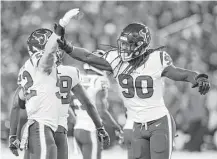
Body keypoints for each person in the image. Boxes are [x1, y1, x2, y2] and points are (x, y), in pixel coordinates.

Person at [57, 22, 210, 159]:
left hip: (159, 122)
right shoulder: (116, 60)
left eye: (130, 45)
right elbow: (88, 57)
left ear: (142, 45)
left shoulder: (157, 59)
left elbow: (180, 74)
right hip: (137, 124)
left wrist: (198, 78)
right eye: (123, 44)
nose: (125, 48)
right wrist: (67, 46)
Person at [9, 8, 110, 159]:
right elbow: (88, 103)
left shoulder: (30, 68)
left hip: (49, 127)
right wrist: (100, 127)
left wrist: (13, 135)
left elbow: (18, 104)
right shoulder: (61, 69)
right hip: (46, 127)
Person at [71, 75, 122, 159]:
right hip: (91, 129)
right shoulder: (100, 79)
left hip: (78, 128)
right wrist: (116, 127)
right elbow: (101, 111)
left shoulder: (79, 77)